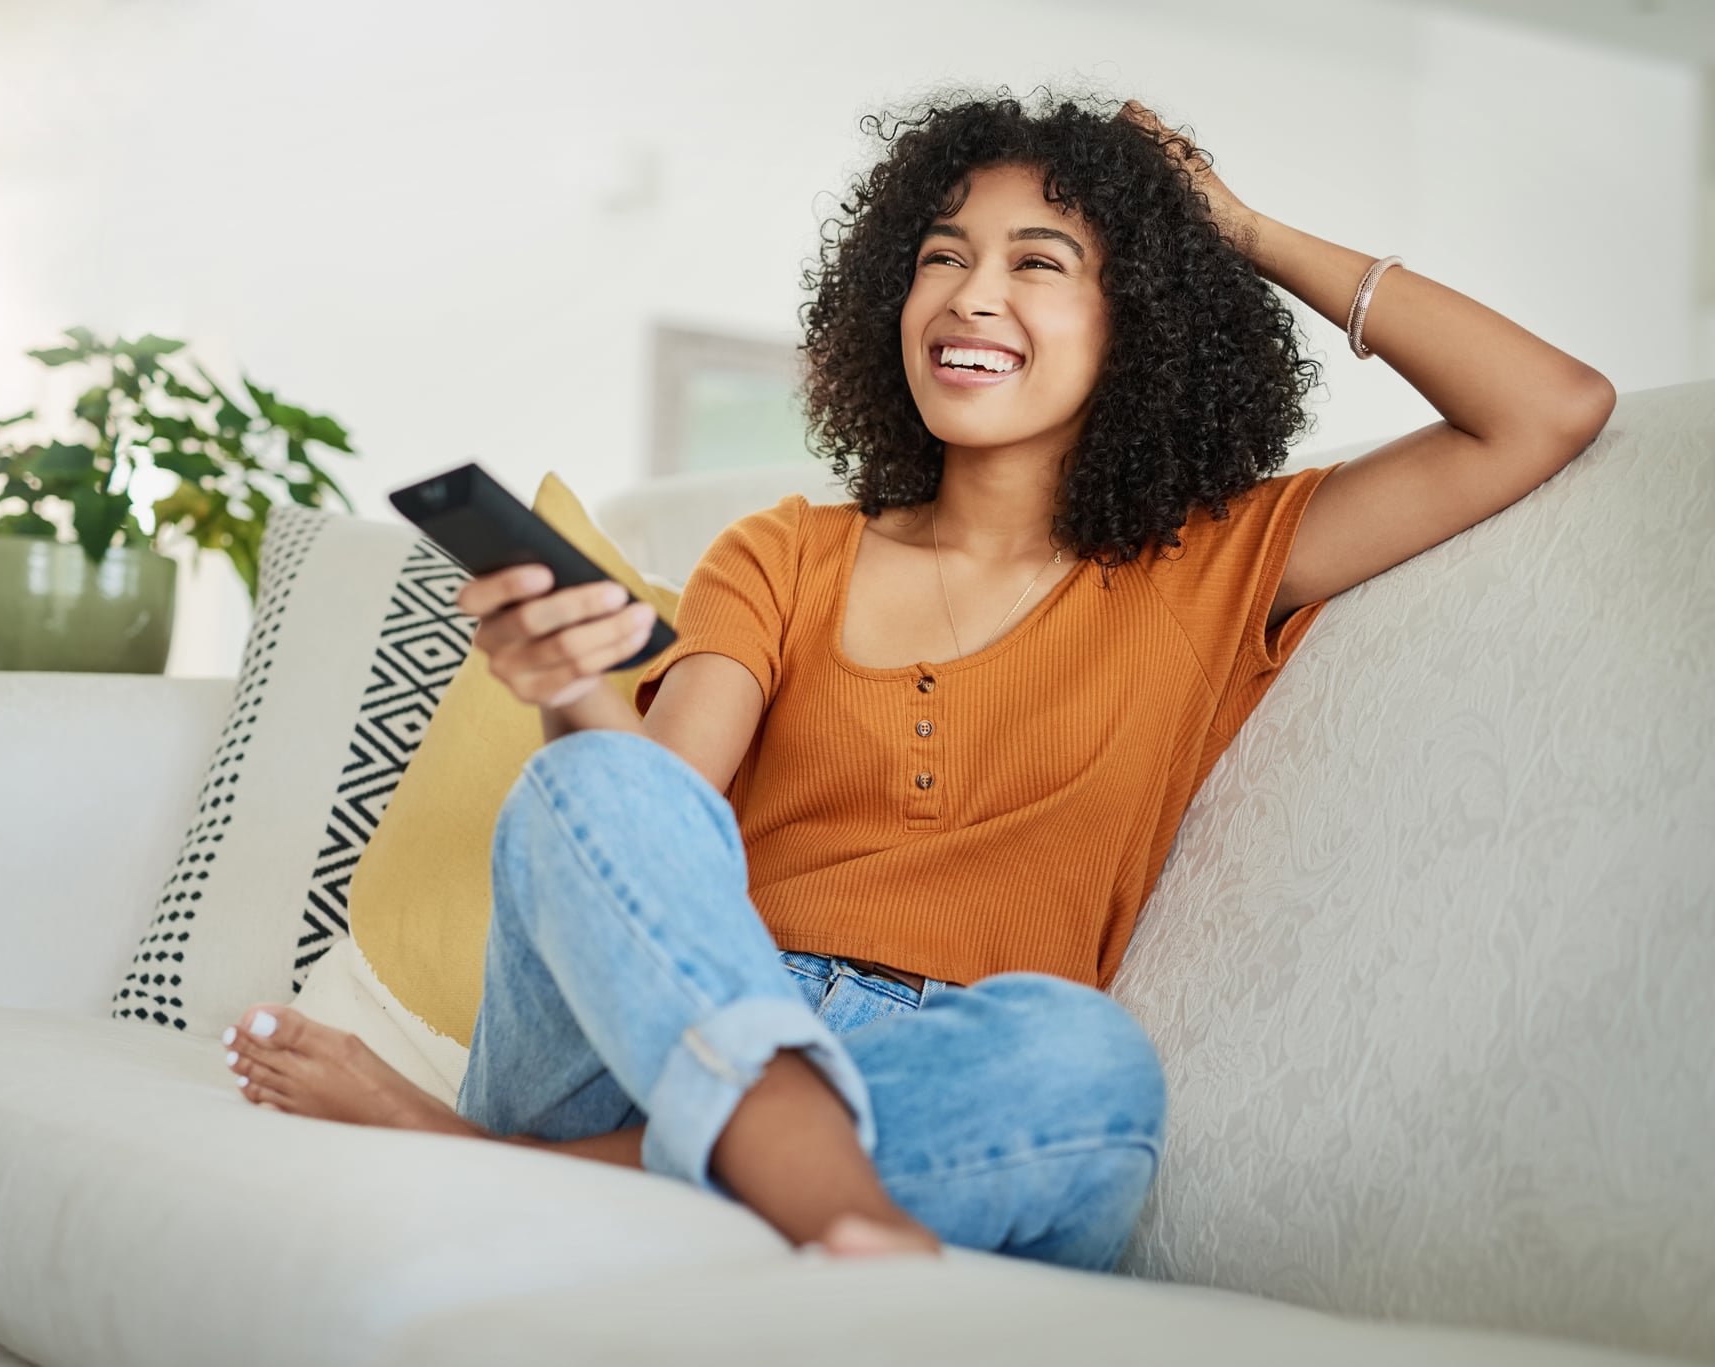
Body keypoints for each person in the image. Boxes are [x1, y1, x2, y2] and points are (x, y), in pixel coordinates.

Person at [220, 90, 1615, 1263]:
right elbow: (651, 817)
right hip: (644, 1034)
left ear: (1143, 318)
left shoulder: (1220, 559)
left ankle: (511, 1169)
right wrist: (568, 685)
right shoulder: (784, 554)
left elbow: (1547, 410)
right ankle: (809, 1189)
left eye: (1040, 262)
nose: (972, 294)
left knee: (1088, 1064)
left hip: (943, 1063)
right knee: (580, 776)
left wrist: (1239, 229)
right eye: (942, 257)